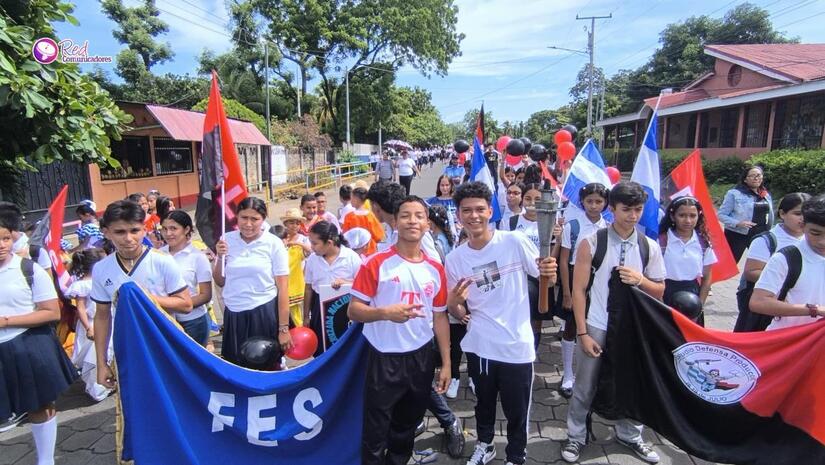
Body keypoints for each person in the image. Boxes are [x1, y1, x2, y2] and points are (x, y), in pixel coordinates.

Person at [446, 181, 557, 465]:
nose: (473, 216)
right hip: (481, 345)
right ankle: (485, 445)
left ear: (490, 211)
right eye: (466, 210)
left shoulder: (513, 241)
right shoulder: (455, 259)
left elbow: (545, 276)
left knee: (517, 410)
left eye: (479, 209)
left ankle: (516, 456)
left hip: (516, 345)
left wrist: (551, 270)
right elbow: (456, 308)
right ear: (458, 215)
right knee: (483, 403)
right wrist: (455, 303)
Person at [562, 181, 665, 464]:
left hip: (632, 328)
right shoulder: (592, 242)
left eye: (638, 209)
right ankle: (576, 435)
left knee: (632, 383)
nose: (632, 215)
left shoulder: (648, 246)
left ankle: (629, 434)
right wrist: (582, 332)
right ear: (613, 209)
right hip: (597, 324)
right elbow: (579, 290)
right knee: (585, 385)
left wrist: (640, 280)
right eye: (626, 209)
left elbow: (660, 289)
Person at [348, 195, 451, 465]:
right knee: (375, 431)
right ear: (395, 222)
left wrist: (447, 363)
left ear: (427, 224)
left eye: (419, 216)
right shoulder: (375, 262)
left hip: (421, 358)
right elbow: (354, 310)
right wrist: (385, 313)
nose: (412, 221)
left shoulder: (435, 268)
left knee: (407, 426)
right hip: (383, 358)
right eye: (405, 215)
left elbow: (440, 317)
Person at [92, 200, 192, 390]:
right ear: (106, 232)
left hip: (164, 342)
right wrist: (101, 363)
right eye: (120, 232)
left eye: (134, 231)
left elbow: (186, 304)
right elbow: (102, 316)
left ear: (144, 230)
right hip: (129, 346)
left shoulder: (162, 261)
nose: (128, 238)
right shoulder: (101, 269)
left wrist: (142, 298)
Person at [0, 213, 77, 461]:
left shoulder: (28, 269)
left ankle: (46, 459)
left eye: (5, 238)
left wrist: (6, 321)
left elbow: (51, 312)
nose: (2, 245)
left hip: (28, 344)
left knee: (39, 404)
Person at [213, 197, 291, 365]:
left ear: (263, 219)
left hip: (263, 313)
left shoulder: (273, 243)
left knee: (265, 365)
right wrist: (219, 257)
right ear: (236, 216)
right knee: (235, 366)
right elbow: (219, 281)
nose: (248, 224)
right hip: (234, 314)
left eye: (254, 219)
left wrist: (283, 328)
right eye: (244, 217)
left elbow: (283, 288)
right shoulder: (226, 239)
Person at [557, 183, 609, 399]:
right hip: (574, 279)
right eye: (590, 201)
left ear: (606, 203)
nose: (594, 206)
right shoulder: (573, 226)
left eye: (599, 201)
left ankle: (589, 375)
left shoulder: (608, 228)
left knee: (594, 327)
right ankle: (568, 374)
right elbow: (563, 260)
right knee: (571, 327)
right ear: (582, 202)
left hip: (598, 282)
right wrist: (567, 293)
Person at [734, 192, 810, 332]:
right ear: (782, 213)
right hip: (766, 307)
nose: (803, 219)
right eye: (797, 213)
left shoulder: (812, 242)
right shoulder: (767, 240)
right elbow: (752, 272)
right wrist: (786, 281)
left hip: (797, 310)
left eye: (807, 214)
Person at [750, 194, 825, 329]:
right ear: (803, 226)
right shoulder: (787, 258)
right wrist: (814, 310)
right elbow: (759, 302)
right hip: (788, 337)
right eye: (815, 233)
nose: (822, 242)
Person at [303, 221, 361, 355]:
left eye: (315, 243)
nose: (311, 247)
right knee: (322, 346)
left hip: (344, 309)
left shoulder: (351, 257)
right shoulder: (313, 259)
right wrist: (306, 316)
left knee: (343, 345)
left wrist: (346, 282)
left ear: (329, 243)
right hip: (319, 308)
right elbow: (308, 288)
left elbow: (362, 284)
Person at [658, 196, 717, 324]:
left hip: (692, 294)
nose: (688, 220)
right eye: (682, 215)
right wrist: (660, 305)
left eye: (692, 215)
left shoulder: (703, 242)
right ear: (672, 216)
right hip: (665, 292)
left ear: (698, 216)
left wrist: (699, 305)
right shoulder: (662, 241)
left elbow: (707, 277)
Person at [160, 210, 213, 347]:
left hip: (193, 322)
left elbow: (206, 295)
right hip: (165, 320)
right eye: (164, 229)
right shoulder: (157, 255)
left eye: (173, 228)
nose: (168, 233)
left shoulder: (197, 257)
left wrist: (179, 305)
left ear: (186, 229)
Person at [66, 248, 111, 401]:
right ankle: (96, 388)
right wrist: (88, 327)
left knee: (107, 353)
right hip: (92, 323)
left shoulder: (104, 280)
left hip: (107, 320)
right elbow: (81, 308)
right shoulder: (82, 285)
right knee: (92, 357)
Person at [367, 181, 441, 261]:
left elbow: (435, 261)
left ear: (375, 206)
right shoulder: (389, 228)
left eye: (370, 204)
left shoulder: (415, 230)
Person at [718, 166, 773, 263]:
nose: (756, 178)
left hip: (760, 234)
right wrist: (738, 223)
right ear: (745, 179)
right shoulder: (734, 194)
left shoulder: (765, 195)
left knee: (761, 263)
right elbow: (721, 215)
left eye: (759, 175)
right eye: (752, 176)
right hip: (738, 234)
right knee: (729, 263)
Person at [280, 208, 312, 328]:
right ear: (285, 223)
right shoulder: (280, 238)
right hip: (282, 281)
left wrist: (296, 244)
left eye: (297, 223)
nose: (295, 226)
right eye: (291, 222)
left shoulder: (303, 239)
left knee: (297, 315)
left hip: (297, 280)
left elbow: (310, 251)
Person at [342, 187, 385, 256]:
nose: (350, 201)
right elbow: (378, 236)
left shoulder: (349, 217)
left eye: (351, 198)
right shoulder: (371, 216)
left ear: (356, 199)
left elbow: (346, 236)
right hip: (370, 250)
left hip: (354, 252)